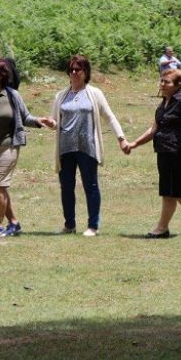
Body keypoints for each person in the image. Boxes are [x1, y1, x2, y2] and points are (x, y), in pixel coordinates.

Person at [0, 56, 56, 239]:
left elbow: (25, 117)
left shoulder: (12, 95)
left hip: (8, 146)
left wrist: (39, 121)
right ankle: (14, 222)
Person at [49, 55, 129, 236]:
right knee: (66, 186)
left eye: (78, 69)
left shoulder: (95, 94)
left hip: (88, 147)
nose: (75, 73)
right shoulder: (61, 96)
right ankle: (69, 225)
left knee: (91, 185)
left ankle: (93, 225)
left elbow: (109, 117)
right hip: (65, 148)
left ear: (86, 73)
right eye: (72, 70)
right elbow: (55, 122)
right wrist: (50, 123)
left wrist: (121, 138)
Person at [126, 68, 181, 238]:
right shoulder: (164, 103)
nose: (162, 84)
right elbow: (154, 129)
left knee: (169, 191)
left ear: (178, 85)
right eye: (161, 81)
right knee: (177, 188)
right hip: (165, 152)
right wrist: (135, 143)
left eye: (167, 82)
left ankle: (162, 228)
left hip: (177, 152)